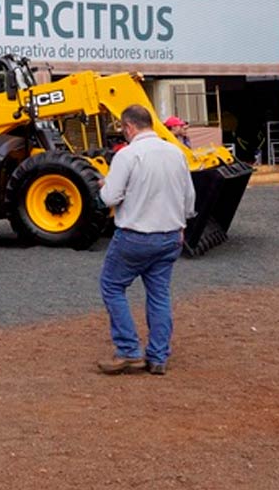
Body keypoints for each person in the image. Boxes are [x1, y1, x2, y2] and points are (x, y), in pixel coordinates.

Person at [96, 105, 196, 376]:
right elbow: (189, 198)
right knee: (159, 294)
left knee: (112, 286)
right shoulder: (176, 152)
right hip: (171, 235)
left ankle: (129, 350)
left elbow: (109, 198)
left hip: (135, 236)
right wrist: (182, 224)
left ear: (128, 127)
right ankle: (158, 356)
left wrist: (103, 186)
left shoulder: (127, 155)